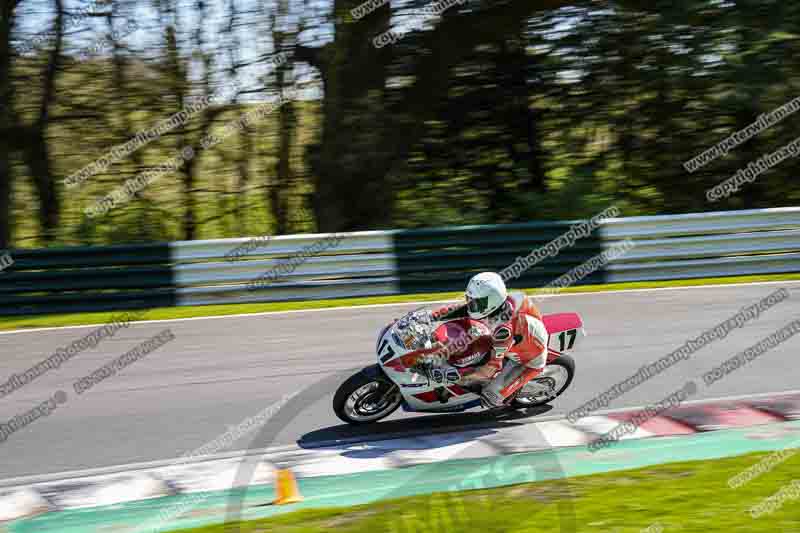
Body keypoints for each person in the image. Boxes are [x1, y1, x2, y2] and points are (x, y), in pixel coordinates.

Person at [426, 272, 550, 407]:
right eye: (470, 300)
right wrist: (430, 316)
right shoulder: (501, 303)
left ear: (492, 301)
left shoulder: (503, 331)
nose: (471, 305)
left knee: (490, 397)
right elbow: (463, 309)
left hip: (529, 360)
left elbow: (491, 368)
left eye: (476, 302)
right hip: (522, 334)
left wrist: (457, 376)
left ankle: (500, 394)